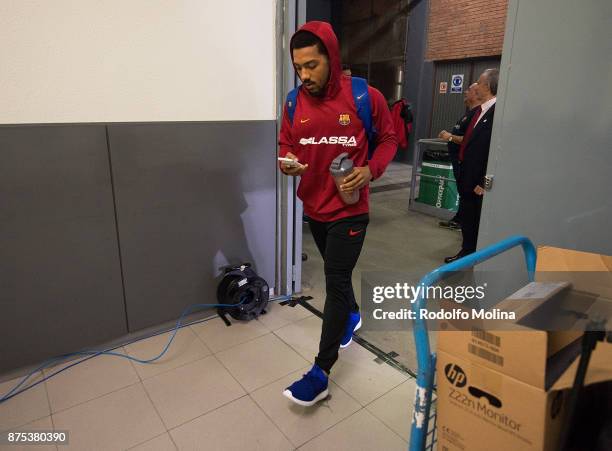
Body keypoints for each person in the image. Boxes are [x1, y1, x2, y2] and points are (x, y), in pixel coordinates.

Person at [278, 21, 398, 406]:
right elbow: (286, 145)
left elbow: (391, 137)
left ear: (331, 57)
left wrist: (371, 170)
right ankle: (354, 314)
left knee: (334, 281)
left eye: (312, 65)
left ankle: (321, 372)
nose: (304, 74)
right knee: (340, 278)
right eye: (298, 67)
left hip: (350, 210)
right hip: (314, 209)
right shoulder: (294, 103)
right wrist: (288, 162)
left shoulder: (365, 96)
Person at [445, 69, 498, 263]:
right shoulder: (480, 112)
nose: (476, 86)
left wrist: (484, 181)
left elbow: (494, 150)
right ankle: (466, 252)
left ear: (487, 86)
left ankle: (470, 255)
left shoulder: (495, 113)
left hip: (477, 183)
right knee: (467, 220)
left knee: (474, 221)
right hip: (467, 176)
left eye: (479, 82)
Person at [438, 82, 481, 230]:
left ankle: (462, 221)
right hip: (458, 160)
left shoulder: (477, 115)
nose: (465, 92)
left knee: (466, 192)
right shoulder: (468, 113)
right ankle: (459, 219)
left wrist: (450, 137)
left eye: (469, 90)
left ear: (476, 94)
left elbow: (469, 139)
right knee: (462, 191)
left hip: (464, 162)